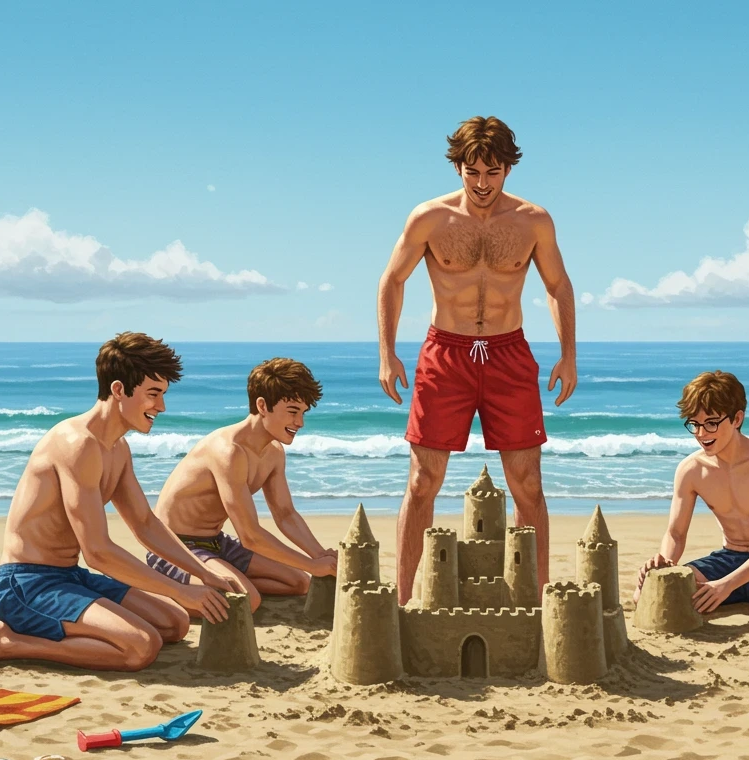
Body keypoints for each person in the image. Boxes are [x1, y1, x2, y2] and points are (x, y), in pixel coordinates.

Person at [0, 333, 244, 672]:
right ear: (119, 390)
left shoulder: (117, 449)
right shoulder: (77, 444)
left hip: (70, 576)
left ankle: (69, 631)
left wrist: (202, 574)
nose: (161, 407)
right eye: (153, 394)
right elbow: (98, 552)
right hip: (26, 585)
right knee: (141, 648)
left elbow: (145, 524)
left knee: (174, 623)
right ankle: (11, 642)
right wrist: (179, 589)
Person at [377, 115, 577, 606]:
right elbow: (392, 280)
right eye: (473, 172)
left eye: (493, 172)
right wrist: (388, 354)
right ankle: (404, 601)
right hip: (446, 352)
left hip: (509, 355)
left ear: (508, 168)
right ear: (458, 169)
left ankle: (536, 598)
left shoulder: (533, 220)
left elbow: (557, 285)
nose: (483, 184)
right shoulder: (429, 217)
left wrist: (568, 354)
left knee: (527, 482)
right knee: (423, 481)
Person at [148, 357, 337, 604]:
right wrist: (313, 565)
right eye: (292, 412)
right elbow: (250, 535)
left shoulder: (274, 452)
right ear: (262, 405)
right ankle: (163, 584)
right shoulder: (229, 451)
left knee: (299, 582)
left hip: (217, 543)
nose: (299, 423)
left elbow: (285, 514)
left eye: (302, 413)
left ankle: (223, 577)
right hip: (175, 547)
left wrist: (320, 555)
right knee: (245, 601)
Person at [634, 371, 749, 625]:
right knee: (648, 595)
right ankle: (740, 593)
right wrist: (665, 564)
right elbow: (676, 534)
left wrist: (725, 586)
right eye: (694, 424)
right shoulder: (691, 470)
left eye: (712, 423)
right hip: (728, 558)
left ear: (737, 418)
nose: (702, 433)